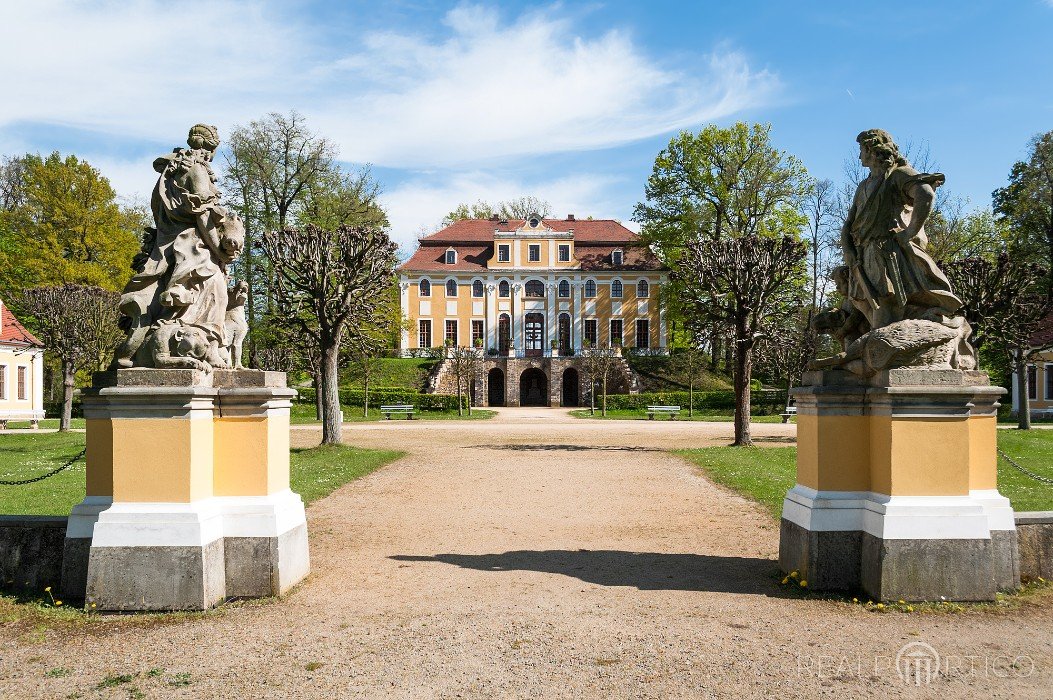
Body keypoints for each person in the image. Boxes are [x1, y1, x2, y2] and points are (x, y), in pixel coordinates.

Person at [112, 124, 243, 368]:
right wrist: (219, 253)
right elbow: (203, 216)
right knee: (215, 290)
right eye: (213, 150)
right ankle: (208, 347)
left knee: (186, 297)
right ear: (207, 148)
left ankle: (186, 340)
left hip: (169, 244)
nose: (212, 156)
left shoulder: (171, 172)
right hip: (194, 247)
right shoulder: (197, 171)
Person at [841, 129, 962, 330]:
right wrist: (848, 250)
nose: (859, 155)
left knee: (884, 302)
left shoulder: (897, 174)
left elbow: (925, 193)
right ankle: (880, 348)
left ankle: (884, 349)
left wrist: (910, 232)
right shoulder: (863, 185)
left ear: (871, 149)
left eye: (861, 150)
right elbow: (849, 223)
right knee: (866, 303)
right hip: (862, 253)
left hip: (885, 252)